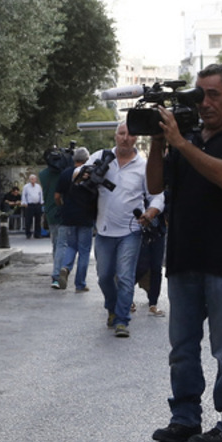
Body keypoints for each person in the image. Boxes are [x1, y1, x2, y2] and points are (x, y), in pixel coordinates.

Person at [147, 64, 222, 442]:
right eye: (200, 94)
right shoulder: (188, 137)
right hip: (183, 256)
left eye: (214, 94)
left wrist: (180, 143)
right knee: (181, 347)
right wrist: (157, 142)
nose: (205, 102)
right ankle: (185, 417)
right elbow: (154, 185)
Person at [92, 121, 165, 337]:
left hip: (130, 231)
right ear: (115, 136)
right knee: (104, 277)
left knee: (125, 276)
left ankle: (122, 320)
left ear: (136, 139)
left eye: (130, 134)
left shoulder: (143, 166)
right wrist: (83, 175)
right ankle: (112, 308)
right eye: (122, 133)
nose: (126, 138)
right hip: (104, 230)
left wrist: (150, 213)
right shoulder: (101, 157)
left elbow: (157, 195)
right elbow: (79, 174)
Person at [54, 147, 95, 293]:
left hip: (69, 217)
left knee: (71, 246)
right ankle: (80, 284)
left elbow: (57, 196)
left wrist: (62, 208)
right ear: (87, 159)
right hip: (86, 217)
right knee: (84, 251)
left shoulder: (65, 174)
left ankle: (65, 267)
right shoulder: (91, 174)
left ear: (74, 159)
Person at [38, 158, 64, 287]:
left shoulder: (42, 174)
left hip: (50, 213)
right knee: (62, 244)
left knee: (56, 243)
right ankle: (58, 274)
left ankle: (58, 269)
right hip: (62, 213)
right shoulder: (64, 173)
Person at [21, 174, 43, 239]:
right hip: (29, 205)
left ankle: (37, 234)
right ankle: (28, 233)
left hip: (37, 204)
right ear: (29, 180)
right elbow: (24, 195)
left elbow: (40, 194)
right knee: (28, 220)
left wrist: (41, 201)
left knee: (38, 220)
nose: (33, 180)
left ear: (36, 179)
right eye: (31, 179)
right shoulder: (26, 187)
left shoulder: (38, 186)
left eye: (34, 179)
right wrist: (24, 203)